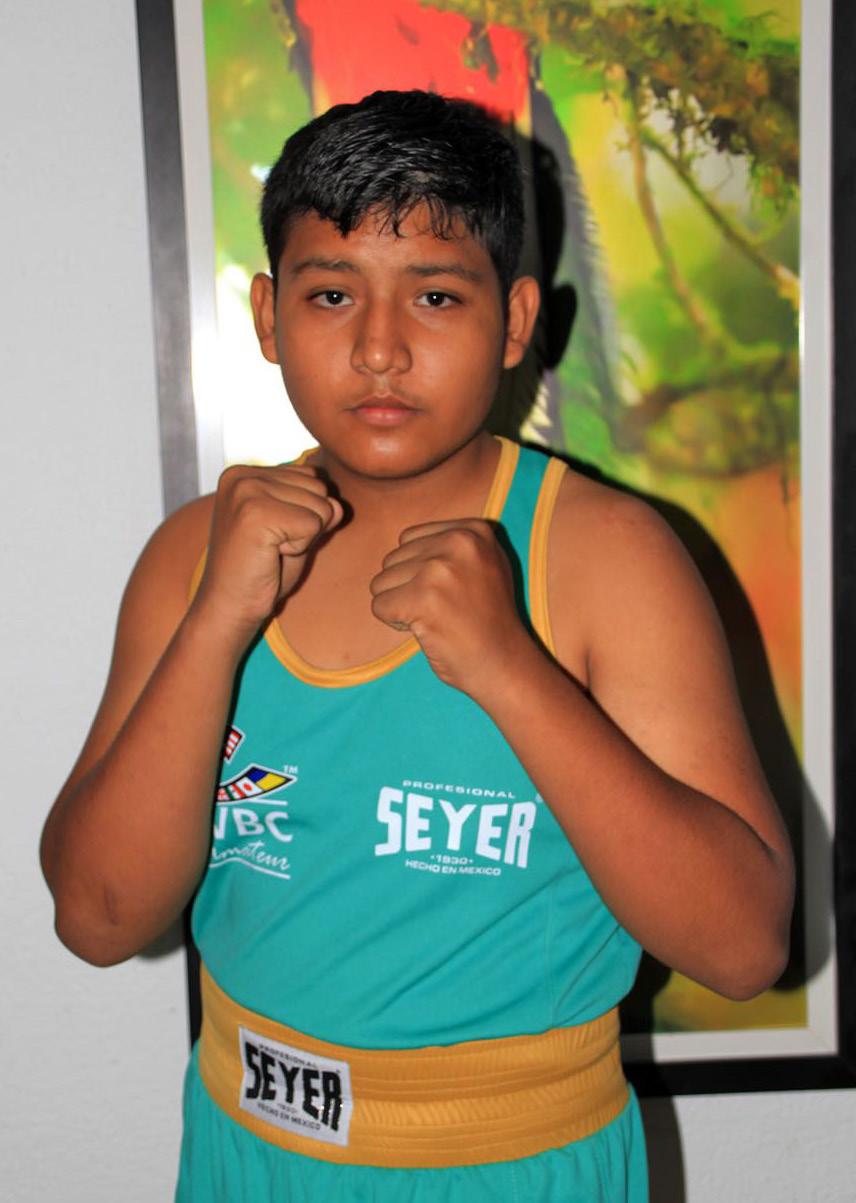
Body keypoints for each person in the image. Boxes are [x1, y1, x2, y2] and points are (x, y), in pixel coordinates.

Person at [40, 89, 794, 1201]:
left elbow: (741, 949)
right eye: (332, 294)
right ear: (267, 316)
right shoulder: (194, 557)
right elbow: (98, 920)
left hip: (512, 1167)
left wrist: (510, 669)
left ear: (516, 321)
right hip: (244, 1153)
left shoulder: (606, 560)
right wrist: (215, 624)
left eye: (436, 295)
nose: (380, 348)